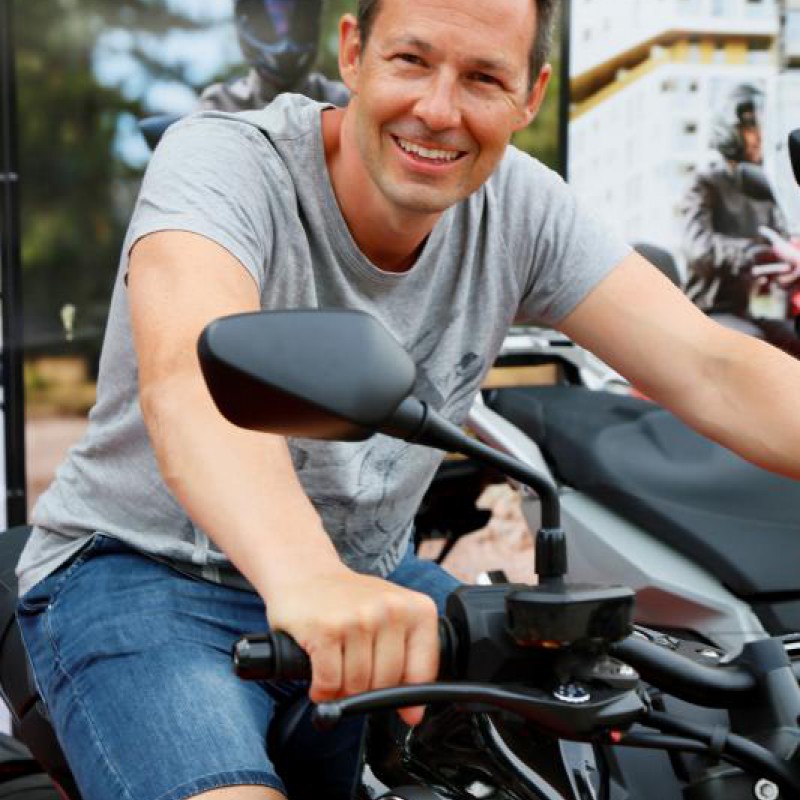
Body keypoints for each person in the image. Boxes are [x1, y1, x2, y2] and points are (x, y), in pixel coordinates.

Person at [14, 0, 800, 798]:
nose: (438, 110)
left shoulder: (522, 208)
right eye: (411, 61)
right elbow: (190, 381)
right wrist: (310, 580)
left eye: (484, 78)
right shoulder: (226, 161)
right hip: (143, 572)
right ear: (353, 53)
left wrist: (334, 583)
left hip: (368, 581)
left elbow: (714, 366)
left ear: (530, 96)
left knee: (602, 745)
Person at [681, 82, 800, 356]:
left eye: (762, 127)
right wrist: (753, 252)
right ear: (729, 130)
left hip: (747, 311)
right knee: (757, 344)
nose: (759, 136)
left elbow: (782, 240)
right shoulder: (706, 183)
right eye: (750, 127)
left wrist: (786, 263)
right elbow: (697, 248)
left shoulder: (762, 188)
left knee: (794, 340)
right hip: (708, 309)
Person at [199, 0, 349, 111]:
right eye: (276, 17)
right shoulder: (219, 106)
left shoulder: (340, 101)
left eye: (295, 18)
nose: (285, 33)